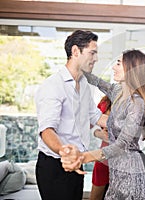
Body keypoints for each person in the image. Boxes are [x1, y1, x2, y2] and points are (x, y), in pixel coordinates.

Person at [60, 49, 145, 199]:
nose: (113, 67)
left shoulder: (137, 104)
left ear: (131, 69)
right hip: (116, 170)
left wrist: (85, 157)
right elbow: (97, 82)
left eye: (118, 63)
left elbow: (122, 144)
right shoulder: (118, 91)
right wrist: (76, 64)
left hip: (130, 173)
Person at [34, 30, 108, 200]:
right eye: (92, 52)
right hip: (56, 166)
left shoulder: (84, 84)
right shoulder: (53, 85)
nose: (96, 59)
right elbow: (47, 130)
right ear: (75, 51)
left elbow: (95, 116)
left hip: (77, 162)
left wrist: (126, 125)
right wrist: (64, 151)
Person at [90, 96, 145, 200]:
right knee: (96, 195)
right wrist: (99, 134)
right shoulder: (105, 102)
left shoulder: (140, 105)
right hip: (105, 159)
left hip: (129, 161)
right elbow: (92, 123)